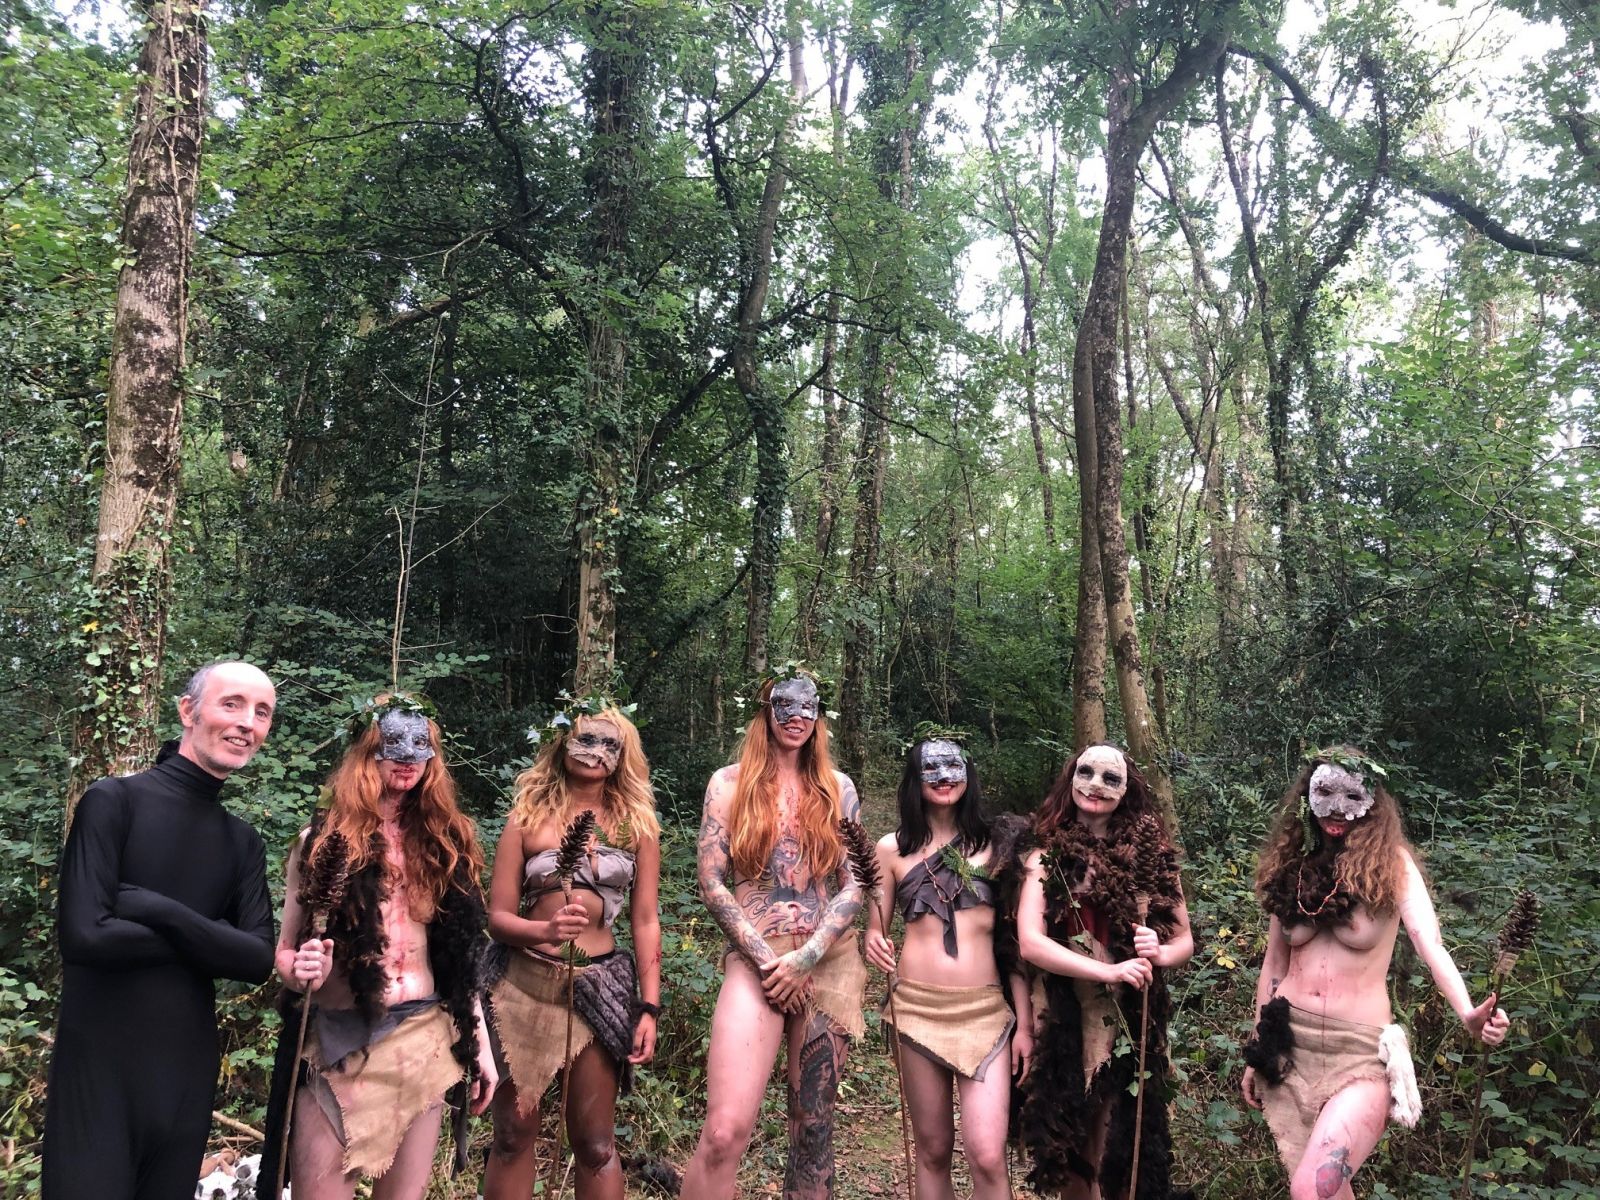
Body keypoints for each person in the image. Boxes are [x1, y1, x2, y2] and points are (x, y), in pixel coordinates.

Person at [44, 659, 279, 1200]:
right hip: (99, 1066)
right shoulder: (113, 802)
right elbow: (85, 937)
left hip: (184, 1074)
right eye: (232, 703)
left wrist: (156, 908)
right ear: (187, 711)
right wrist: (210, 939)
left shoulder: (241, 842)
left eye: (262, 712)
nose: (248, 722)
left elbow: (255, 959)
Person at [1242, 747, 1509, 1200]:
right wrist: (1258, 1047)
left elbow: (1432, 946)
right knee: (1322, 1190)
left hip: (1359, 1053)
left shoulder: (1393, 866)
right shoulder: (1292, 868)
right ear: (1306, 795)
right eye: (1324, 792)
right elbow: (1274, 964)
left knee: (1312, 1189)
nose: (1337, 808)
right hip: (1289, 1047)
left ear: (1372, 801)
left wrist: (1468, 1012)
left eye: (1351, 794)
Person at [260, 694, 496, 1200]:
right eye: (393, 744)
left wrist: (479, 1044)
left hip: (424, 1036)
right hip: (343, 1043)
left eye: (420, 745)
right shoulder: (320, 841)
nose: (407, 757)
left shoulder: (444, 842)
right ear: (368, 751)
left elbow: (461, 956)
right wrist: (298, 969)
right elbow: (283, 951)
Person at [679, 670, 867, 1200]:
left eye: (810, 708)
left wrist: (808, 955)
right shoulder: (729, 783)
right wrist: (770, 961)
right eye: (785, 705)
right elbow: (712, 880)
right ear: (765, 711)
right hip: (756, 961)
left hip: (826, 961)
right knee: (723, 1132)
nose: (797, 717)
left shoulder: (838, 788)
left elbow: (857, 884)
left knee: (813, 1130)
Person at [483, 699, 662, 1200]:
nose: (596, 752)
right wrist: (542, 932)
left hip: (600, 986)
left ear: (623, 755)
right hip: (523, 984)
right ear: (561, 742)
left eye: (609, 743)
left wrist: (649, 1005)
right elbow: (496, 917)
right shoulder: (526, 817)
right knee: (514, 1135)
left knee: (595, 1141)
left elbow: (646, 920)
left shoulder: (637, 826)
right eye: (585, 738)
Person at [1016, 743, 1195, 1200]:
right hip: (1066, 1012)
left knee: (1127, 1139)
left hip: (1133, 1016)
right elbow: (1031, 943)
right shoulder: (1046, 855)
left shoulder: (1151, 857)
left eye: (1110, 778)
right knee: (1073, 1140)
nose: (1095, 786)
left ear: (1127, 788)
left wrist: (1158, 951)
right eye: (1086, 773)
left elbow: (1183, 943)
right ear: (1070, 779)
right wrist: (1106, 972)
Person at [863, 735, 1034, 1200]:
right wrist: (872, 940)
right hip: (915, 1010)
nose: (943, 778)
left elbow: (1013, 944)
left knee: (987, 1153)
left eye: (952, 767)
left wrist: (1025, 1023)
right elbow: (875, 927)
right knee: (933, 1148)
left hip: (986, 1013)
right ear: (914, 780)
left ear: (968, 775)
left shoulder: (997, 846)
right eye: (931, 769)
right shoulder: (889, 850)